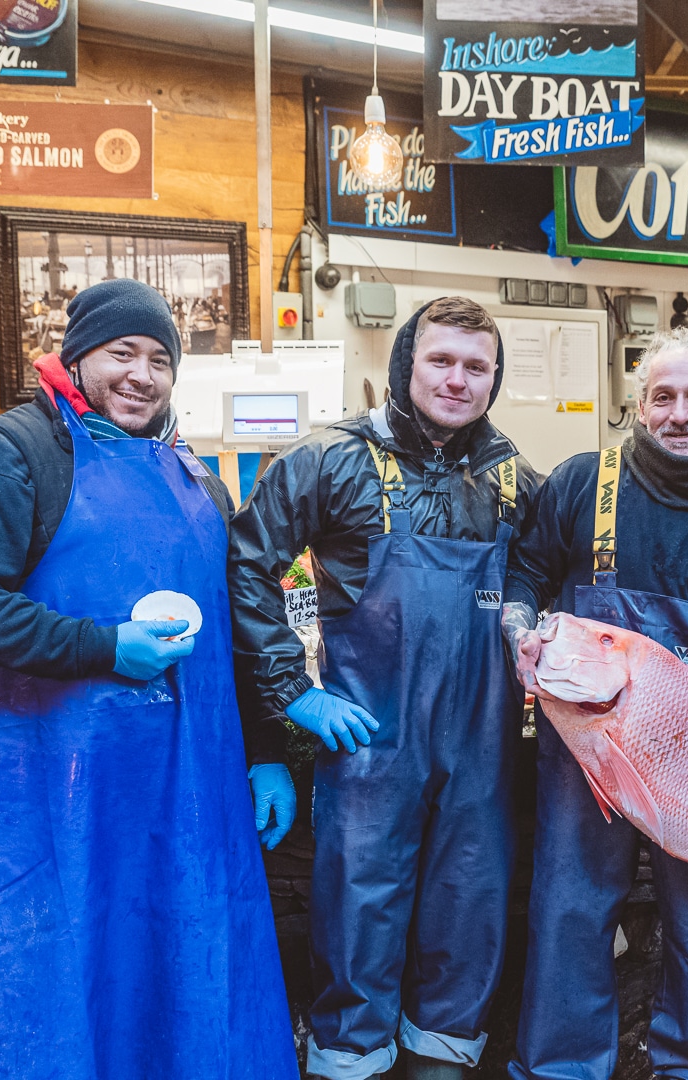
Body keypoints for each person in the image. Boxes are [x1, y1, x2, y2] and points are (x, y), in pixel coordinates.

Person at [0, 279, 297, 1078]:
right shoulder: (17, 451)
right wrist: (101, 648)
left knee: (185, 957)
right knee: (76, 968)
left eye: (161, 359)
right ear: (77, 356)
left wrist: (267, 749)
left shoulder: (195, 474)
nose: (142, 376)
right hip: (61, 786)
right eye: (122, 353)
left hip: (191, 784)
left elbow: (233, 626)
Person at [229, 297, 541, 1080]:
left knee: (469, 919)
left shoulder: (515, 479)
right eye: (442, 360)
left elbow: (560, 585)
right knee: (357, 918)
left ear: (495, 378)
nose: (458, 380)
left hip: (484, 750)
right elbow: (245, 566)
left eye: (477, 367)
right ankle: (348, 1064)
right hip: (371, 746)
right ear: (405, 363)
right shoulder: (330, 460)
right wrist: (290, 690)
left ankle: (441, 1066)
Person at [504, 327, 688, 1080]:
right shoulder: (578, 484)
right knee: (569, 913)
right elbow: (527, 573)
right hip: (585, 751)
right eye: (662, 397)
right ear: (638, 406)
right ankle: (560, 1069)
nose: (679, 412)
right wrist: (518, 631)